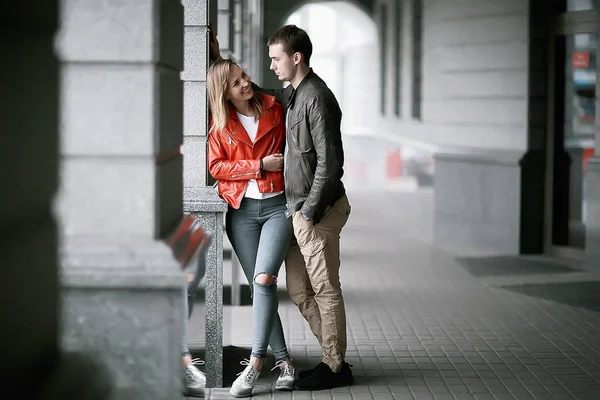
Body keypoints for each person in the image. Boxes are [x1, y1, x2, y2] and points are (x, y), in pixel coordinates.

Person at [210, 25, 353, 391]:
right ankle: (329, 358)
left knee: (318, 287)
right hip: (277, 209)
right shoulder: (291, 94)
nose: (268, 67)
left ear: (296, 57)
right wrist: (212, 54)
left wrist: (307, 212)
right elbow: (235, 89)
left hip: (306, 210)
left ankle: (329, 366)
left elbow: (330, 163)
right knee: (301, 291)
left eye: (275, 58)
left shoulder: (311, 99)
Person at [207, 59, 296, 398]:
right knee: (262, 289)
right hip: (242, 213)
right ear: (224, 93)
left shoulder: (274, 107)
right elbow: (217, 167)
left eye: (243, 75)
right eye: (235, 82)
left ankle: (256, 363)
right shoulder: (220, 123)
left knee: (264, 279)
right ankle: (285, 363)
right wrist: (258, 165)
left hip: (277, 207)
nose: (245, 83)